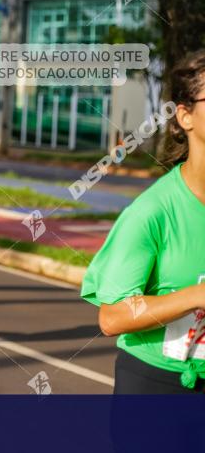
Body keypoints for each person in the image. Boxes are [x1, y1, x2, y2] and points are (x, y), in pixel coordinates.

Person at [82, 51, 205, 393]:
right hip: (157, 385)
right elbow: (113, 317)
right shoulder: (153, 211)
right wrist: (196, 295)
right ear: (185, 116)